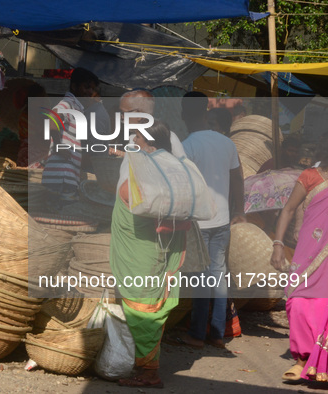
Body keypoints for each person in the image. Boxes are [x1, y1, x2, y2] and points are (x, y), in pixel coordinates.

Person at [111, 120, 189, 389]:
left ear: (149, 145)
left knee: (143, 310)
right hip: (146, 248)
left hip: (143, 251)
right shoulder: (162, 168)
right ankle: (145, 366)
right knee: (145, 306)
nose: (132, 143)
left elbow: (147, 206)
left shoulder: (151, 173)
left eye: (137, 140)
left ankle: (149, 373)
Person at [176, 91, 246, 349]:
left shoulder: (186, 146)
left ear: (183, 115)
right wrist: (240, 210)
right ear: (206, 111)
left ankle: (196, 334)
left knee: (200, 278)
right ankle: (217, 334)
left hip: (198, 223)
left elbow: (181, 187)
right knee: (217, 276)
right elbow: (238, 178)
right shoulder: (227, 143)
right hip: (222, 219)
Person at [270, 136, 328, 382]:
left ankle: (312, 363)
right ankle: (303, 357)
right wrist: (278, 244)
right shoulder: (311, 176)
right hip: (308, 248)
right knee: (297, 302)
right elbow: (289, 209)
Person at [41, 67, 98, 203]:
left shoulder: (76, 107)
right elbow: (51, 120)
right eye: (86, 87)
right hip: (62, 174)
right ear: (74, 86)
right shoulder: (68, 104)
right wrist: (59, 146)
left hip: (64, 174)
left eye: (92, 88)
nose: (90, 92)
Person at [114, 89, 185, 158]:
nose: (121, 117)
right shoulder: (169, 135)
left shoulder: (168, 136)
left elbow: (182, 164)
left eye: (124, 113)